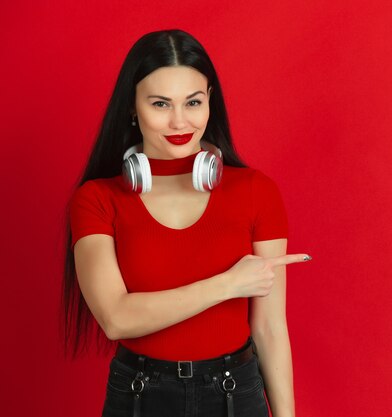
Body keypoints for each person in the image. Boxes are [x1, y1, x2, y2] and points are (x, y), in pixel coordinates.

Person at [62, 29, 310, 417]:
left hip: (235, 392)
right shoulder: (97, 199)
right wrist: (228, 284)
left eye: (192, 102)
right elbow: (116, 318)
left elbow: (270, 328)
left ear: (210, 100)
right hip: (140, 394)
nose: (179, 121)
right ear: (132, 106)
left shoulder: (255, 191)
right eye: (161, 104)